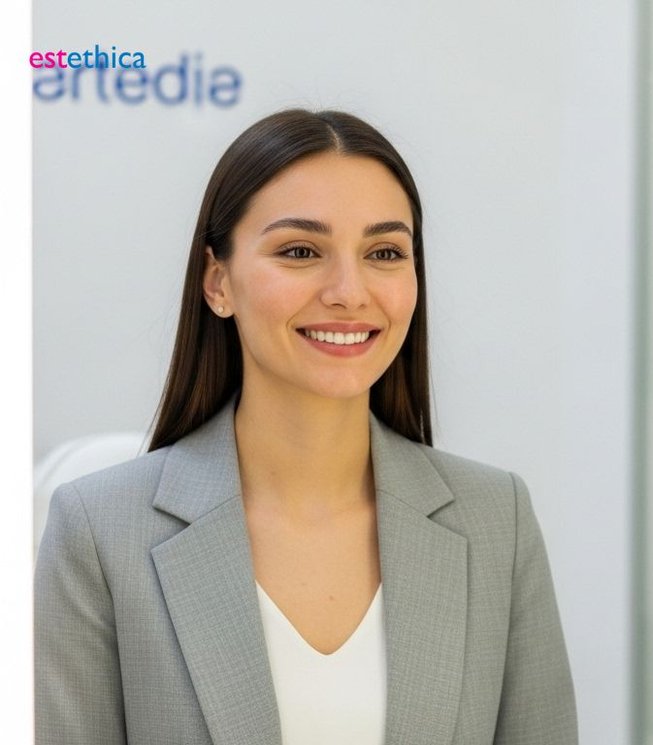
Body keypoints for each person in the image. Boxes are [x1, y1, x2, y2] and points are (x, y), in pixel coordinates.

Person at [35, 109, 578, 745]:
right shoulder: (99, 533)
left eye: (384, 252)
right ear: (218, 282)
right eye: (300, 251)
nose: (350, 292)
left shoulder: (496, 521)